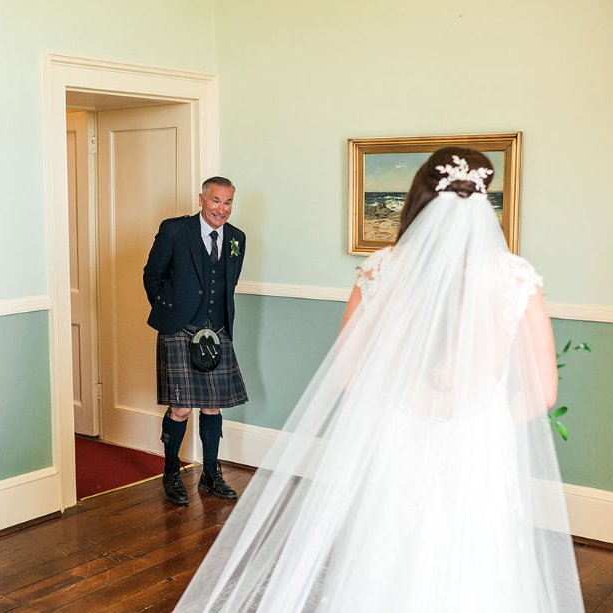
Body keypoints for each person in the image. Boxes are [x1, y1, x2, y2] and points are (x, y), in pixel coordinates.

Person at [174, 148, 584, 612]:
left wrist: (405, 409)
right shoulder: (515, 278)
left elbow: (348, 376)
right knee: (477, 568)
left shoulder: (381, 269)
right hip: (479, 451)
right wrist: (480, 422)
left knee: (386, 565)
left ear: (419, 196)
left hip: (398, 443)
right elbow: (542, 391)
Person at [143, 176, 248, 505]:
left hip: (217, 331)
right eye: (216, 200)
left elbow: (227, 283)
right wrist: (170, 312)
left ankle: (210, 473)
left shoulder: (236, 238)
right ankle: (171, 471)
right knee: (182, 407)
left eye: (228, 202)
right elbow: (152, 275)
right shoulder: (175, 230)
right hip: (180, 329)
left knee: (212, 405)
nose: (222, 209)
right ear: (201, 198)